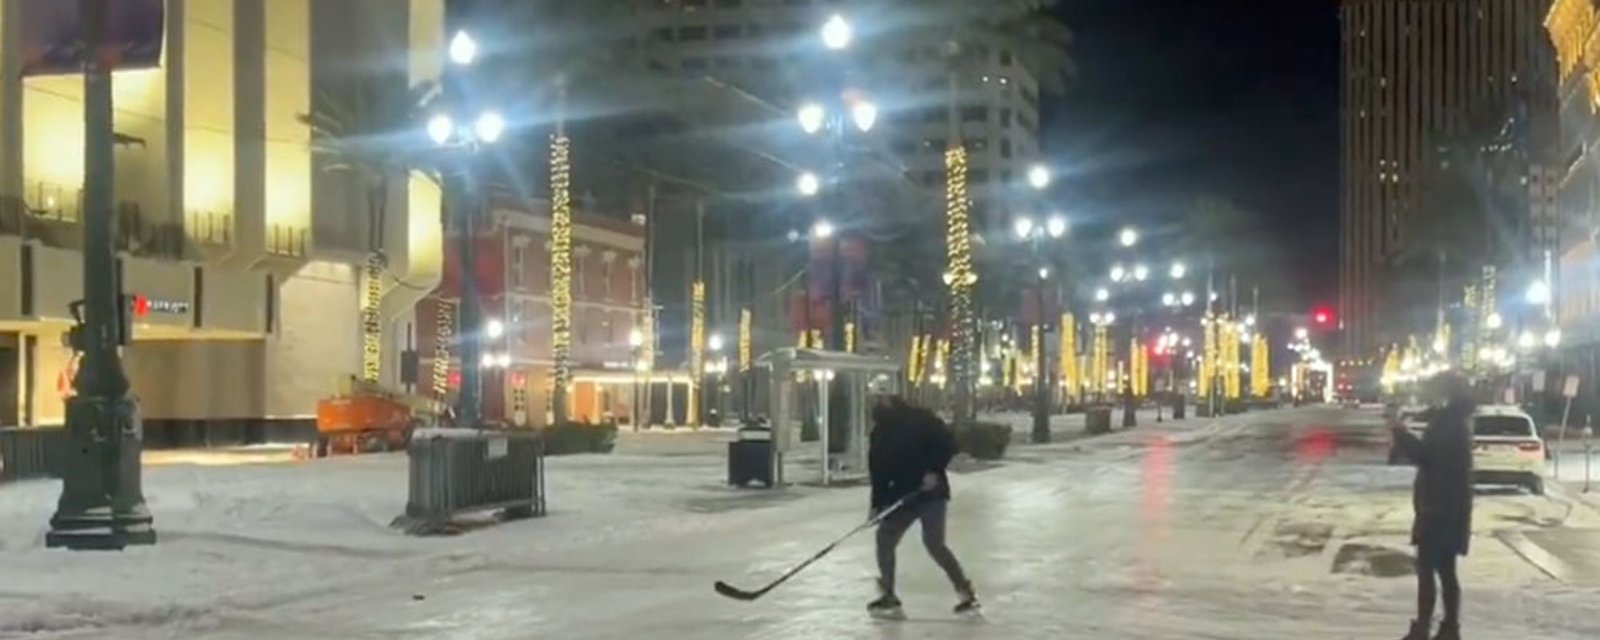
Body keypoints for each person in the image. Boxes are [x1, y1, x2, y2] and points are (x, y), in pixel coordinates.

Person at [866, 395, 976, 618]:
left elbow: (947, 444)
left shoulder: (922, 420)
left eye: (881, 399)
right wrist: (877, 504)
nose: (877, 403)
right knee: (884, 538)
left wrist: (934, 471)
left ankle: (964, 590)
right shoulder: (880, 433)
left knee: (934, 543)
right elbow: (878, 471)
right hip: (902, 496)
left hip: (930, 494)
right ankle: (888, 593)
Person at [1388, 374, 1475, 640]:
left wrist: (1400, 433)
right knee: (1444, 571)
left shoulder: (1451, 424)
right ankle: (1446, 627)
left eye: (1436, 390)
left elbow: (1427, 456)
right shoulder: (1452, 419)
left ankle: (1428, 628)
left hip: (1440, 508)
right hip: (1446, 507)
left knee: (1429, 570)